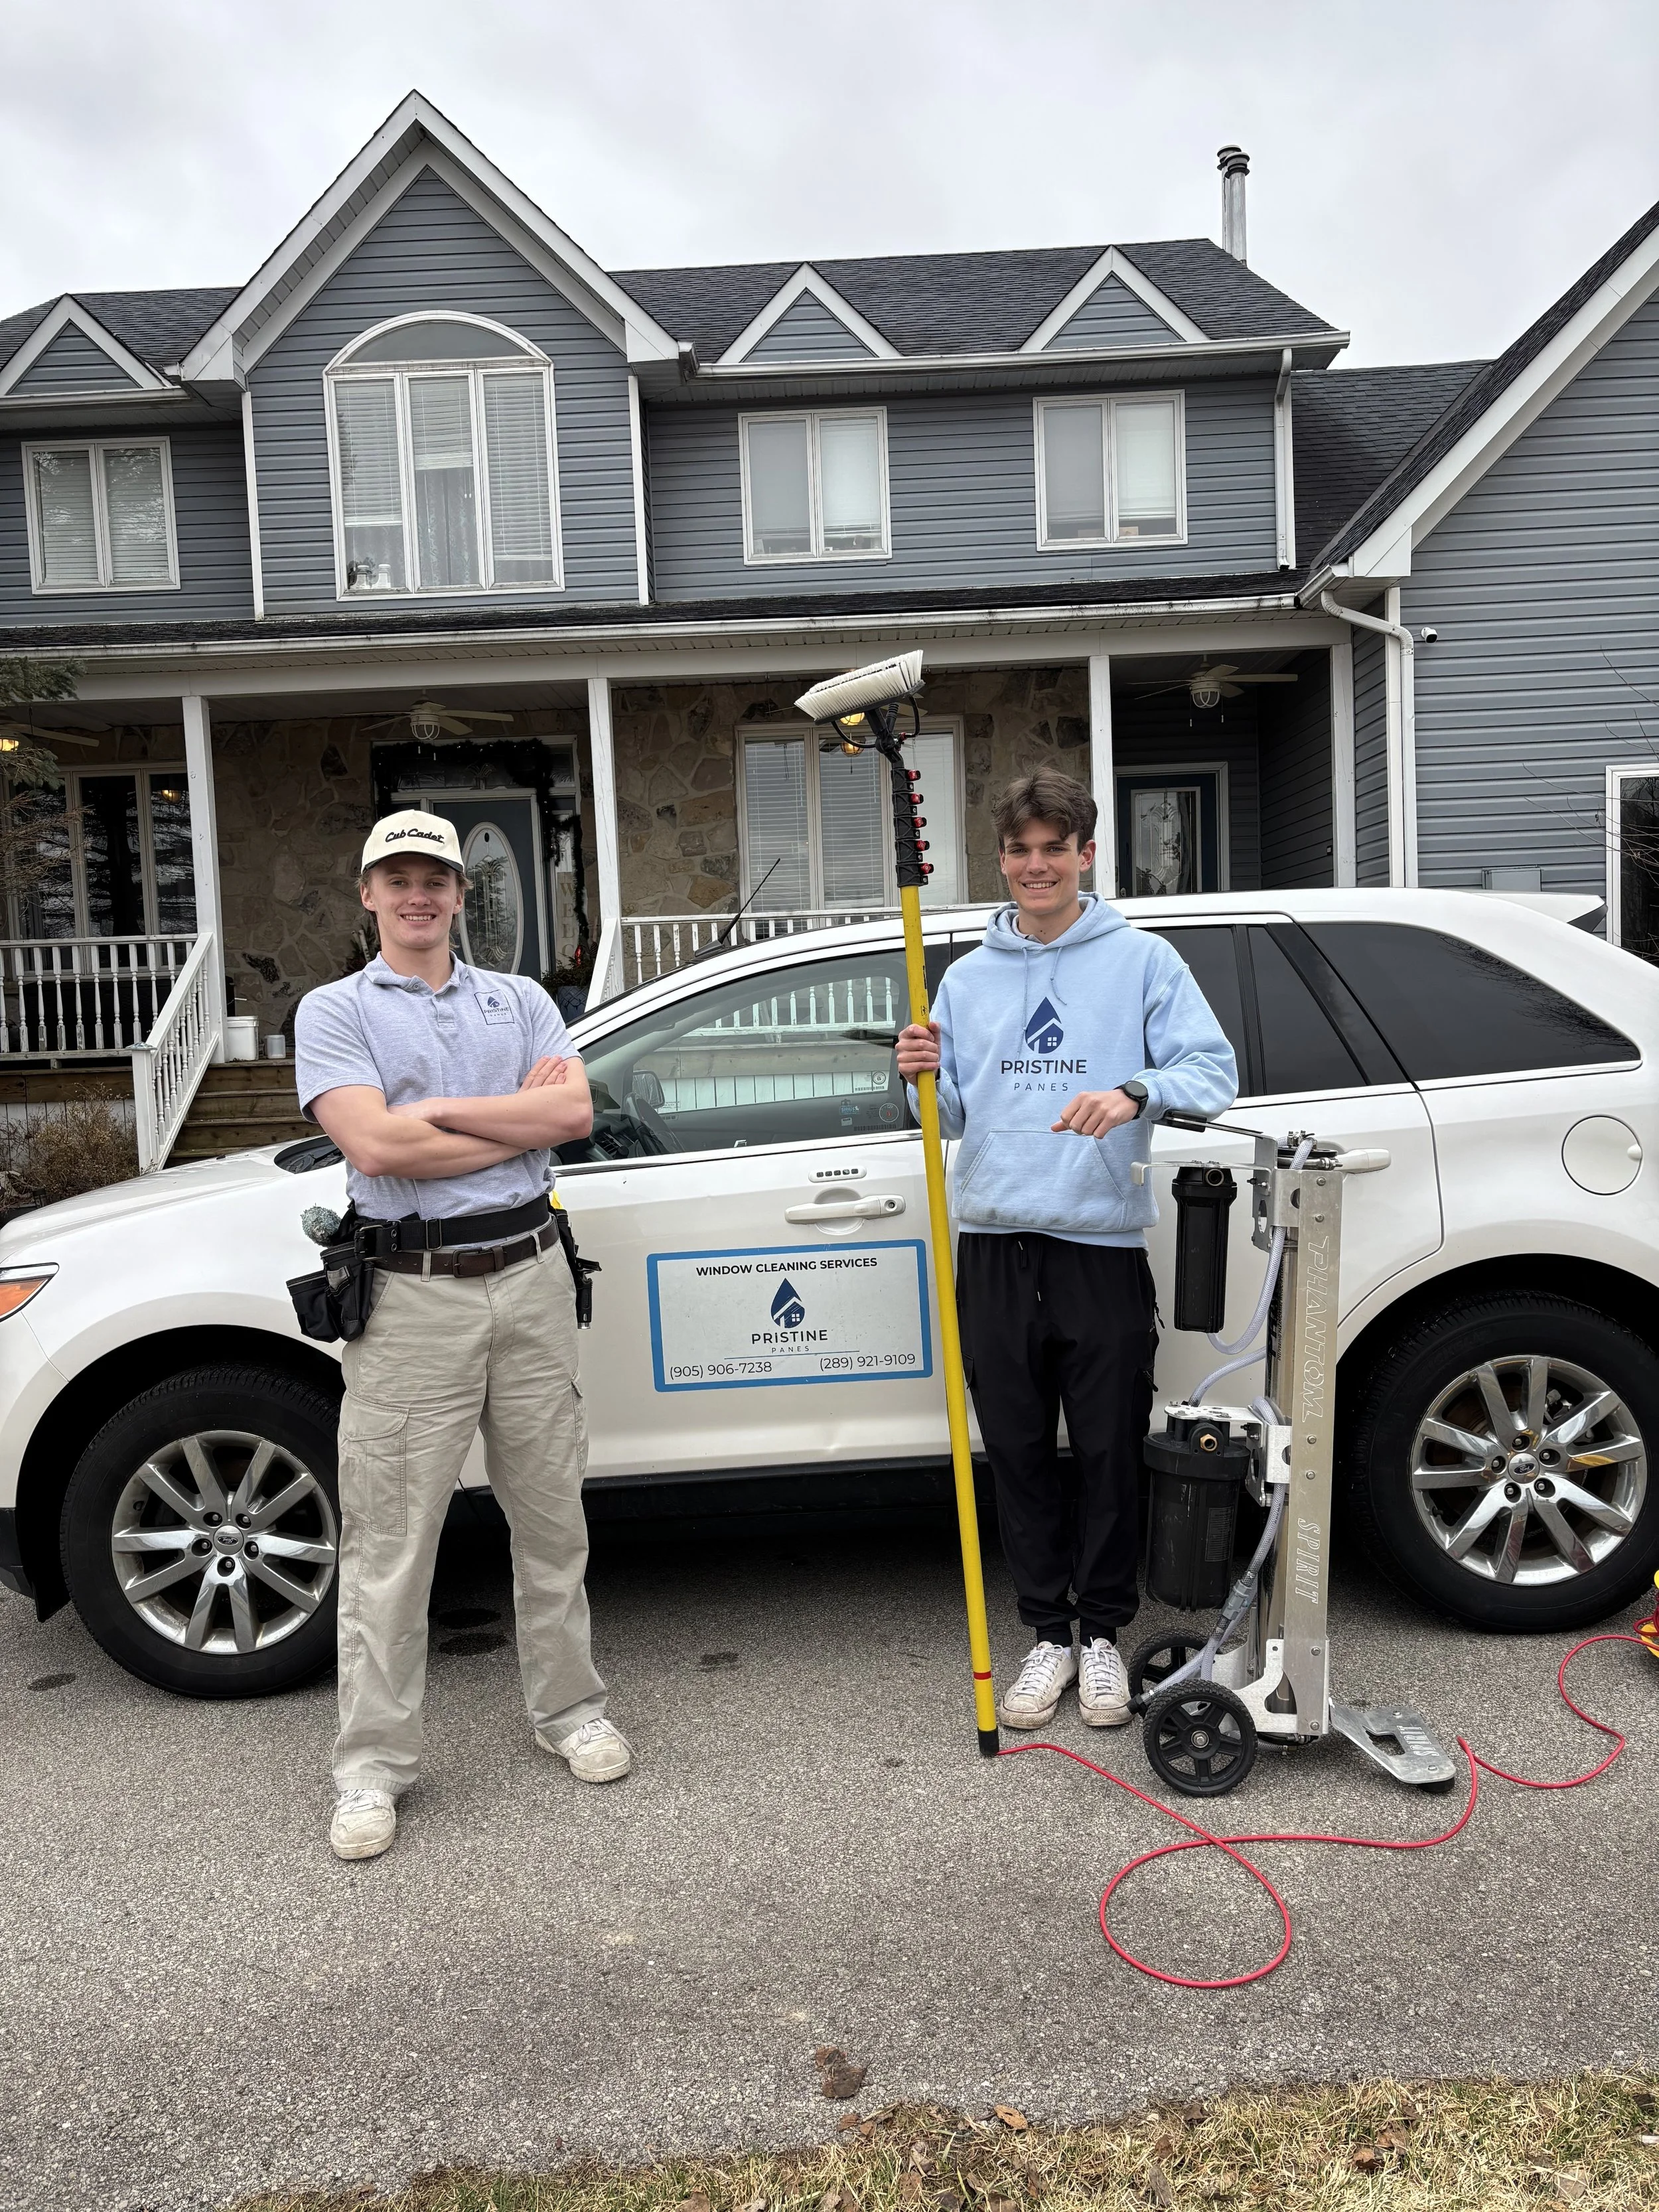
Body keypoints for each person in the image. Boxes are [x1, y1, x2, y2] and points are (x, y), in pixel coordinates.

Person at [295, 810, 630, 1863]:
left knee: (551, 1522)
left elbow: (572, 1118)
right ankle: (373, 1768)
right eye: (396, 877)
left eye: (434, 876)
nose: (418, 894)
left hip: (530, 1279)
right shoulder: (334, 1010)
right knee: (393, 1547)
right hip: (410, 1297)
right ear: (369, 893)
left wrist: (430, 1119)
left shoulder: (522, 999)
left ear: (456, 891)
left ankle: (570, 1712)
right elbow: (374, 1147)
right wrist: (498, 1114)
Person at [896, 769, 1237, 1732]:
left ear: (1087, 853)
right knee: (1018, 1454)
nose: (1036, 866)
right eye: (1020, 850)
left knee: (1105, 1453)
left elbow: (1212, 1072)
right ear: (1000, 860)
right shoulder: (966, 978)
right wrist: (921, 1076)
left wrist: (1133, 1091)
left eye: (1056, 848)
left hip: (1097, 1242)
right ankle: (1046, 1634)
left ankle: (1102, 1640)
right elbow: (954, 1114)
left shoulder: (1141, 962)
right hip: (995, 1242)